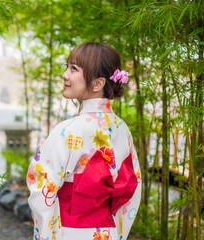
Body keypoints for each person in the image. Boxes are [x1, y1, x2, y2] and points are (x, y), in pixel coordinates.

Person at [26, 42, 141, 240]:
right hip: (108, 233)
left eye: (74, 69)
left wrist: (46, 236)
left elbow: (41, 189)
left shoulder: (67, 131)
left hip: (69, 233)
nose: (65, 75)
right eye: (67, 66)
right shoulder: (123, 130)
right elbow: (132, 189)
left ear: (98, 83)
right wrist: (119, 234)